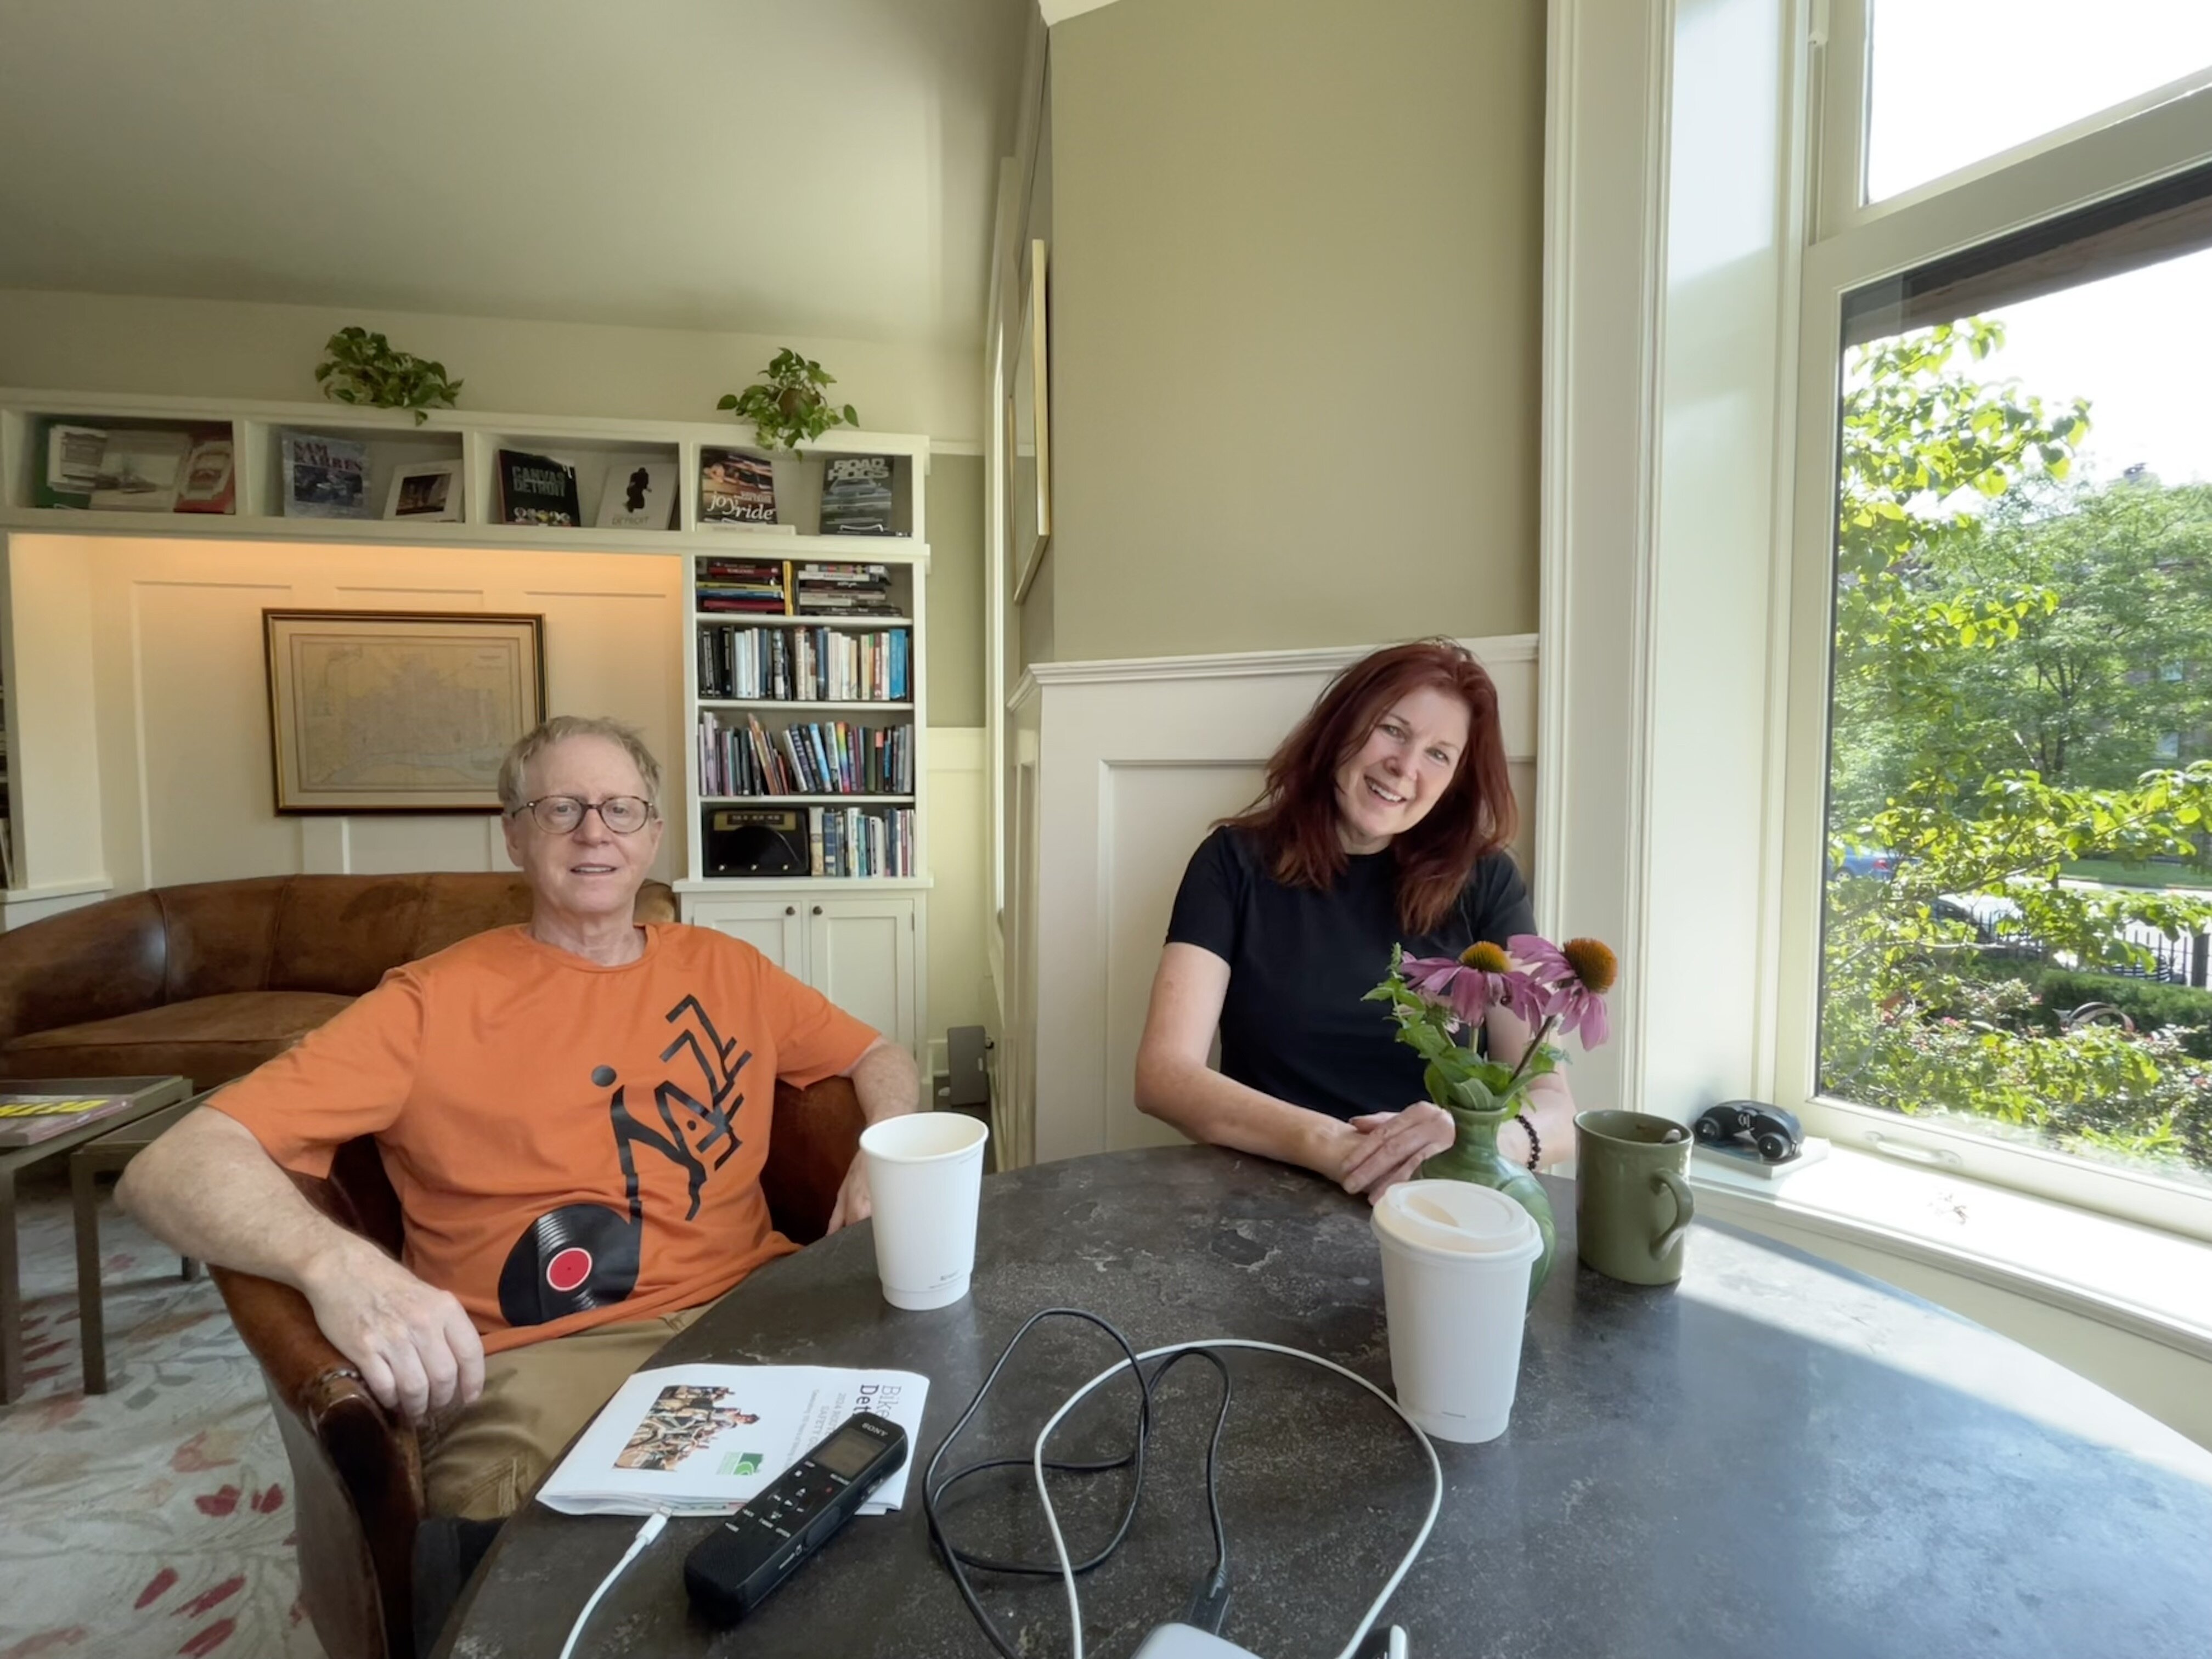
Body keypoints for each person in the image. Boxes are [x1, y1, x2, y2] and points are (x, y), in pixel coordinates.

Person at [118, 714, 919, 1520]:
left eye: (621, 809)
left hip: (754, 1309)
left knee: (905, 1471)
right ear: (513, 836)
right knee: (531, 1581)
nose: (594, 833)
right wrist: (336, 1266)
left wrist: (882, 1150)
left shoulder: (728, 967)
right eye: (561, 809)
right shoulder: (429, 1004)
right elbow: (169, 1168)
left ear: (653, 834)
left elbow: (879, 1055)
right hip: (543, 1361)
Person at [1134, 639, 1573, 1201]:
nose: (1406, 766)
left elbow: (1555, 1107)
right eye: (1393, 729)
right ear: (1343, 725)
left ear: (1456, 781)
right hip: (1259, 1196)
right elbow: (1163, 1076)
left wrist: (1480, 1146)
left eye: (1440, 754)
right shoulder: (1231, 863)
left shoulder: (1488, 882)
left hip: (1433, 1201)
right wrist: (1337, 1146)